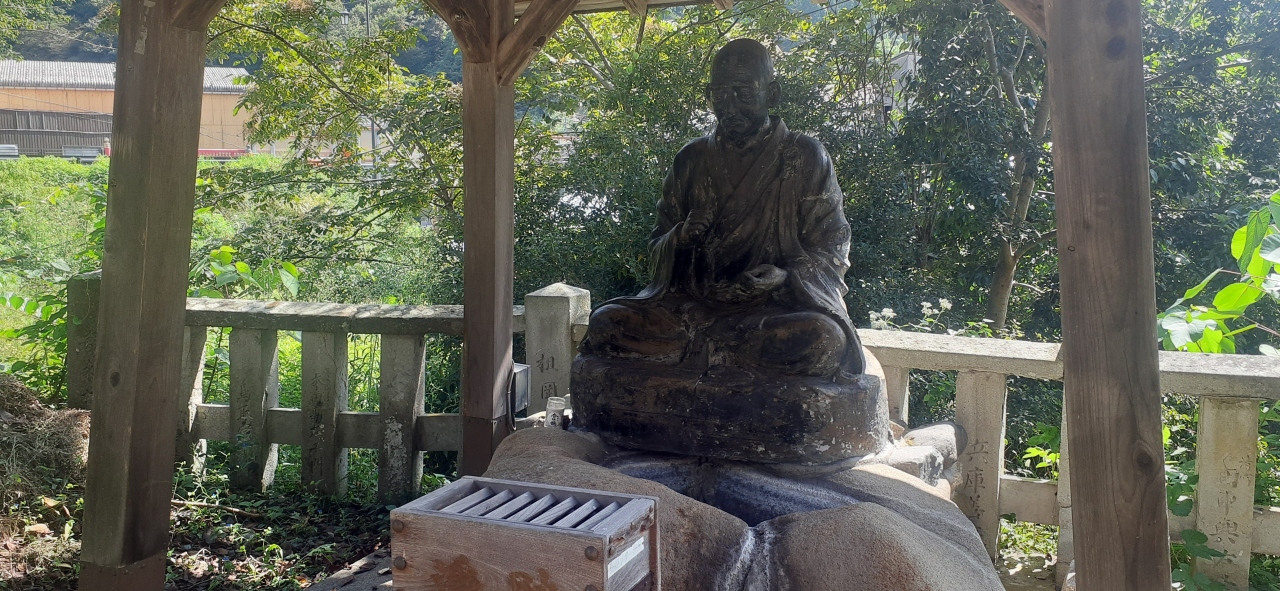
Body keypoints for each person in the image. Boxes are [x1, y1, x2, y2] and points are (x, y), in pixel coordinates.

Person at [580, 38, 865, 380]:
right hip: (691, 309)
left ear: (772, 94)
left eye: (743, 93)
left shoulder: (804, 156)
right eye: (720, 94)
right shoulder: (691, 159)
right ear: (708, 96)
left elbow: (833, 248)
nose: (729, 106)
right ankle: (720, 351)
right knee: (605, 324)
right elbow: (656, 246)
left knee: (823, 340)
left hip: (769, 312)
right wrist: (680, 237)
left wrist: (785, 277)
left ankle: (708, 350)